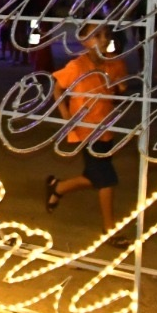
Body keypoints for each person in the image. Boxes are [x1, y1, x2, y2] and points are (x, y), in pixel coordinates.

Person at [45, 28, 130, 245]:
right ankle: (109, 229)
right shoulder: (77, 66)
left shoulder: (114, 64)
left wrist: (121, 85)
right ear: (84, 41)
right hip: (85, 129)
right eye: (97, 36)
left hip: (105, 127)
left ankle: (58, 187)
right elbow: (58, 89)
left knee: (94, 176)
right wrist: (66, 116)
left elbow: (121, 88)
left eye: (106, 35)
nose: (103, 40)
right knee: (106, 178)